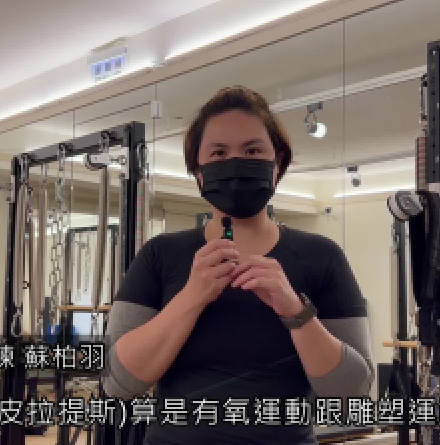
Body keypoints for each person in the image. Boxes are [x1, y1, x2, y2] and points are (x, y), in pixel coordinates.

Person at [102, 86, 374, 445]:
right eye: (218, 152)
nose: (235, 163)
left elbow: (352, 393)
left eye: (252, 150)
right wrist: (192, 297)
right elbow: (118, 382)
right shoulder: (159, 254)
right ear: (198, 172)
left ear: (277, 164)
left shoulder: (323, 256)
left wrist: (295, 311)